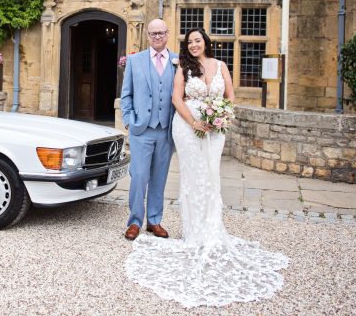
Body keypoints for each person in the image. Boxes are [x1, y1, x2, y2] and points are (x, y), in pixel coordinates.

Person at [125, 27, 289, 308]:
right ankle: (137, 222)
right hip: (173, 127)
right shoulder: (153, 62)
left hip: (201, 130)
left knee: (197, 177)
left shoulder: (193, 62)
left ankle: (164, 222)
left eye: (197, 40)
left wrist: (221, 117)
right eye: (189, 42)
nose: (193, 45)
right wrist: (131, 119)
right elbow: (168, 98)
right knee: (148, 176)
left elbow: (229, 97)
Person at [120, 19, 178, 241]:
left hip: (166, 130)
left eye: (161, 33)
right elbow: (127, 94)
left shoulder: (177, 61)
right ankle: (135, 221)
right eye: (153, 33)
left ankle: (154, 220)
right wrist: (128, 120)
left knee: (159, 177)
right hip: (141, 129)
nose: (157, 37)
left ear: (167, 34)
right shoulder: (135, 61)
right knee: (139, 176)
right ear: (147, 36)